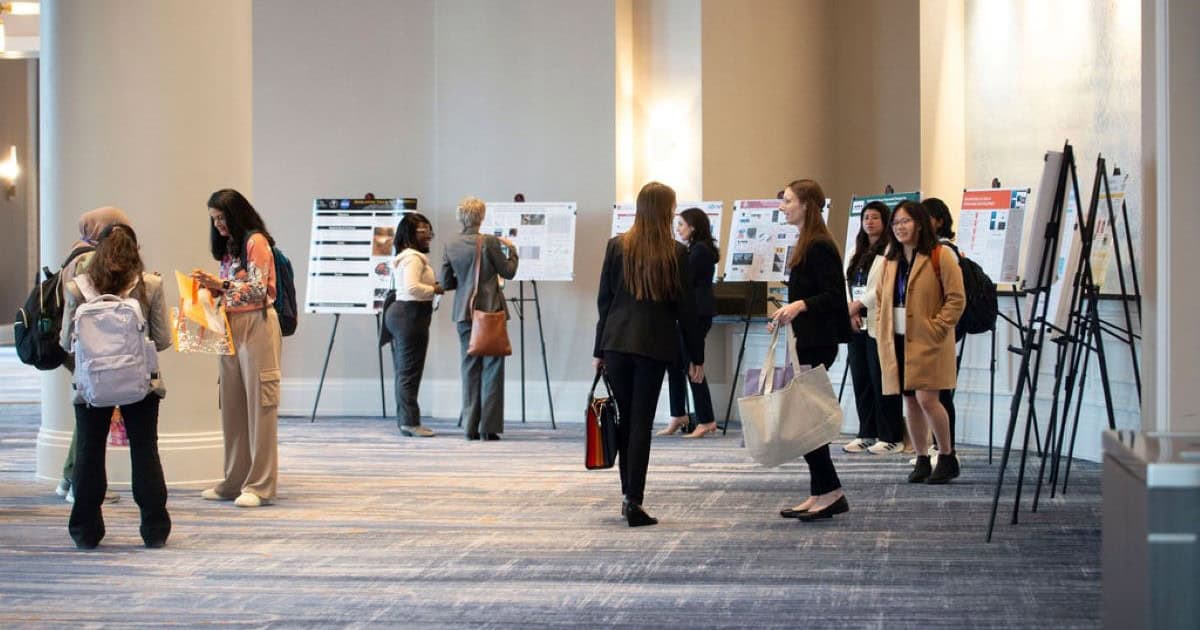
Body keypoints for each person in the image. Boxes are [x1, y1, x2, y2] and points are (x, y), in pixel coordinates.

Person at [594, 181, 704, 527]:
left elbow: (605, 301)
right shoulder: (676, 253)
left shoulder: (617, 246)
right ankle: (633, 500)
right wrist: (696, 356)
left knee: (625, 420)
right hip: (653, 346)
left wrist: (598, 349)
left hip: (616, 343)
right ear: (666, 210)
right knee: (640, 422)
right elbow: (686, 310)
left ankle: (627, 494)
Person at [59, 224, 171, 549]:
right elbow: (162, 339)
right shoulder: (151, 285)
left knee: (89, 452)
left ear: (98, 252)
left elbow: (66, 342)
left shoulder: (77, 288)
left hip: (91, 387)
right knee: (145, 451)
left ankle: (85, 532)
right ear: (136, 251)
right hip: (141, 384)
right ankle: (154, 530)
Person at [192, 189, 282, 508]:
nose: (218, 224)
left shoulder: (255, 242)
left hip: (257, 324)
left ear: (235, 214)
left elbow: (258, 290)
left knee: (261, 405)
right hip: (230, 324)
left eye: (222, 217)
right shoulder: (230, 249)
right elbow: (234, 291)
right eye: (214, 219)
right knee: (231, 404)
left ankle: (260, 484)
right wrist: (211, 289)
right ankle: (234, 480)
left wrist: (221, 285)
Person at [769, 179, 852, 522]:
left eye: (788, 200)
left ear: (806, 204)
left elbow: (833, 296)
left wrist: (800, 305)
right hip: (807, 339)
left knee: (808, 421)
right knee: (806, 419)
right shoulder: (807, 241)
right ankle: (821, 491)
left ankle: (831, 492)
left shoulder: (819, 245)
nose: (782, 206)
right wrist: (787, 313)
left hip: (818, 342)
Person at [876, 200, 965, 484]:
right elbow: (880, 298)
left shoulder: (940, 255)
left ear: (920, 224)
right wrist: (881, 326)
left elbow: (956, 299)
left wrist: (937, 328)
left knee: (928, 399)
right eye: (896, 222)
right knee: (910, 400)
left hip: (928, 340)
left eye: (906, 221)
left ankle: (947, 456)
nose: (900, 227)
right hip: (897, 339)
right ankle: (922, 458)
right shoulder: (890, 259)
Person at [56, 206, 131, 505]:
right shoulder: (89, 259)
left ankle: (69, 477)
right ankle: (80, 483)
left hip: (78, 346)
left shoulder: (75, 252)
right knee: (91, 419)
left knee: (86, 416)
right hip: (90, 348)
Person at [441, 197, 519, 441]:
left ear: (460, 217)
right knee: (492, 368)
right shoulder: (489, 242)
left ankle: (470, 427)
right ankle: (488, 427)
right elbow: (508, 272)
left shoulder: (450, 244)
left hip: (464, 314)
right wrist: (513, 251)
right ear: (481, 217)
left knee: (469, 367)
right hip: (490, 311)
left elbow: (446, 283)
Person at [843, 201, 905, 455]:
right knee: (861, 379)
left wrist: (858, 304)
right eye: (866, 217)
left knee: (882, 379)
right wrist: (850, 310)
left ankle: (890, 436)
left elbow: (882, 287)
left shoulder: (891, 250)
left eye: (875, 217)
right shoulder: (854, 251)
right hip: (855, 322)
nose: (869, 222)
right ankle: (866, 433)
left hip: (878, 321)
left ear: (885, 221)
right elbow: (845, 282)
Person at [659, 207, 719, 439]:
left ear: (693, 227)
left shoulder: (700, 251)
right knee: (675, 363)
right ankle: (678, 414)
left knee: (693, 364)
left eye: (681, 224)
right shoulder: (694, 249)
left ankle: (706, 419)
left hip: (696, 313)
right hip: (689, 311)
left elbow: (684, 281)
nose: (678, 229)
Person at [385, 212, 443, 437]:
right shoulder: (413, 259)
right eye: (422, 230)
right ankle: (410, 423)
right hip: (411, 315)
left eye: (429, 230)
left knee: (404, 371)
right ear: (410, 233)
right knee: (409, 372)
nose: (428, 235)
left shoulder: (406, 257)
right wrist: (435, 289)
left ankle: (406, 421)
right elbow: (412, 288)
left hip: (404, 314)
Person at [922, 197, 959, 447]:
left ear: (939, 221)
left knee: (940, 393)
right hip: (926, 332)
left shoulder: (945, 252)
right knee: (927, 395)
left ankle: (944, 447)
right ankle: (935, 446)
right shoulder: (922, 251)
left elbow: (955, 297)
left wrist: (938, 326)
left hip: (940, 331)